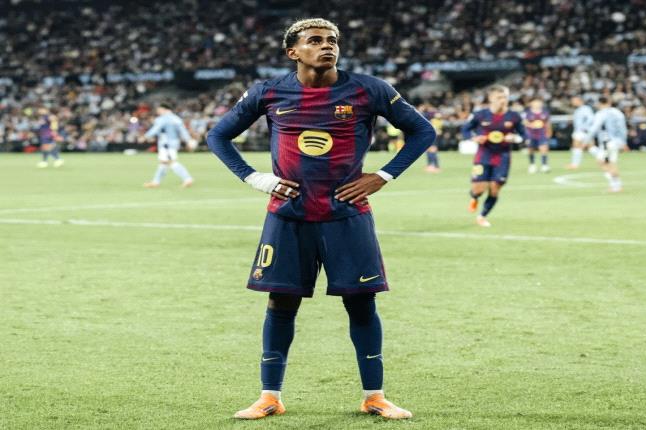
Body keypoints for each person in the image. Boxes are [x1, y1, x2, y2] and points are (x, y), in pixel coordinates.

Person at [206, 18, 435, 421]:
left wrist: (383, 176)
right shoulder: (268, 91)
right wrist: (255, 178)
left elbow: (422, 131)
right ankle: (269, 396)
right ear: (293, 51)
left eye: (332, 40)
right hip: (288, 216)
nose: (327, 46)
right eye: (315, 40)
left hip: (347, 215)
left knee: (361, 303)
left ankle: (375, 396)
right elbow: (217, 135)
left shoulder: (369, 89)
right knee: (281, 302)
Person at [461, 85, 525, 227]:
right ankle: (474, 197)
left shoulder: (514, 116)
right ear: (491, 98)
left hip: (503, 157)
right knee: (479, 189)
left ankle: (482, 216)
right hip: (483, 155)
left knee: (495, 188)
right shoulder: (480, 115)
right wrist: (474, 138)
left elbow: (524, 135)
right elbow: (465, 130)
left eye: (505, 97)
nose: (503, 100)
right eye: (499, 97)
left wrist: (515, 138)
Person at [141, 103, 195, 188]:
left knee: (171, 162)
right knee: (163, 162)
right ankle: (156, 182)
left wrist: (145, 136)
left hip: (166, 144)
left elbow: (155, 129)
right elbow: (183, 130)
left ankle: (187, 179)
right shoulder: (176, 119)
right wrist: (188, 140)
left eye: (159, 109)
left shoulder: (162, 119)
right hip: (174, 143)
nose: (158, 111)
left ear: (164, 109)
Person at [584, 96, 627, 192]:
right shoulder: (618, 113)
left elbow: (594, 128)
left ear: (599, 103)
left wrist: (586, 141)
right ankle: (616, 185)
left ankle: (615, 185)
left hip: (606, 141)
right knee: (610, 162)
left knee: (603, 162)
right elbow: (623, 128)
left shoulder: (601, 114)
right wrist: (623, 142)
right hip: (616, 141)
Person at [565, 96, 594, 169]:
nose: (572, 102)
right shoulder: (578, 109)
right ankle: (604, 158)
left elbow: (590, 119)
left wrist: (584, 128)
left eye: (574, 101)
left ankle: (574, 164)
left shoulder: (585, 108)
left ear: (579, 101)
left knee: (576, 146)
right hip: (580, 131)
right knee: (590, 148)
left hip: (582, 131)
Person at [524, 98, 552, 173]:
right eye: (535, 102)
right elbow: (525, 123)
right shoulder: (528, 113)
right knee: (531, 149)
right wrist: (531, 125)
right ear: (531, 104)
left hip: (542, 134)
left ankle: (544, 165)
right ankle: (532, 165)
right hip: (531, 134)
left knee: (544, 149)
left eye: (539, 102)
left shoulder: (545, 112)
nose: (537, 104)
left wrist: (549, 132)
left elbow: (548, 123)